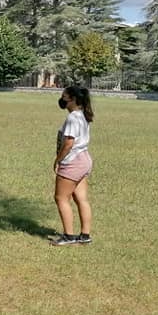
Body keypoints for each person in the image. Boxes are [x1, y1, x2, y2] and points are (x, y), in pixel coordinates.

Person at [50, 86, 94, 246]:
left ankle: (68, 236)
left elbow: (68, 143)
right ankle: (85, 235)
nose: (62, 99)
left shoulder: (73, 118)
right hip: (84, 160)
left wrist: (58, 160)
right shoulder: (83, 115)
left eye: (64, 97)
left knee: (61, 198)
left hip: (72, 162)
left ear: (73, 99)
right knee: (81, 199)